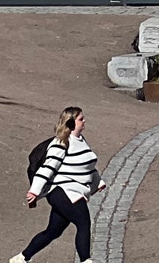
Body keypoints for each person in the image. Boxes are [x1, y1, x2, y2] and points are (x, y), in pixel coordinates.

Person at [9, 106, 106, 263]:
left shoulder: (81, 140)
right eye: (81, 119)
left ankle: (21, 258)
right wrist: (35, 191)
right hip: (63, 191)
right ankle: (86, 260)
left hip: (74, 191)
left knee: (53, 231)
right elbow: (47, 168)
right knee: (84, 223)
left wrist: (98, 181)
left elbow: (87, 166)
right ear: (71, 123)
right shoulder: (61, 143)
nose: (84, 121)